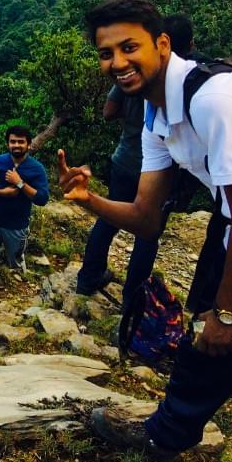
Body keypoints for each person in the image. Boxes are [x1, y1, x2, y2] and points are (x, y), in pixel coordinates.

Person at [59, 0, 232, 462]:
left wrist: (225, 314)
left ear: (162, 45)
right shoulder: (157, 117)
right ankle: (163, 440)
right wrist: (91, 200)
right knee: (203, 356)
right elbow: (148, 216)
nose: (118, 63)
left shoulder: (216, 101)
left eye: (130, 48)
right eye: (107, 53)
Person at [75, 77, 157, 303]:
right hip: (158, 170)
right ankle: (132, 299)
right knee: (147, 233)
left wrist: (132, 117)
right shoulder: (174, 78)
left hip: (125, 160)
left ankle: (88, 278)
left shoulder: (129, 75)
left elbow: (108, 112)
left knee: (109, 217)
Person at [0, 126, 50, 270]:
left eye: (21, 142)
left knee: (16, 265)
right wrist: (2, 192)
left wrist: (20, 183)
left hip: (17, 226)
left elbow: (42, 199)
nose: (16, 145)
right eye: (13, 141)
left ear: (28, 145)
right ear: (7, 144)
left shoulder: (37, 168)